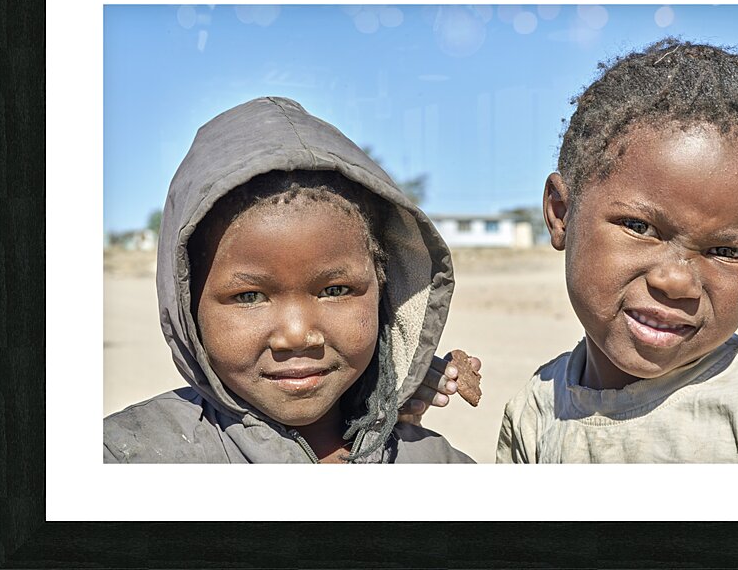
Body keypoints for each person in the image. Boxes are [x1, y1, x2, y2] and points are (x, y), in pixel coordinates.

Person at [104, 96, 476, 463]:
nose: (298, 335)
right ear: (187, 307)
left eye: (335, 290)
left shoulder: (439, 464)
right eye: (249, 296)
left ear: (385, 293)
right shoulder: (126, 458)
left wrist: (387, 396)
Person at [497, 40, 738, 463]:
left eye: (727, 250)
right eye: (640, 227)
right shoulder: (535, 412)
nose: (676, 282)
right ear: (561, 214)